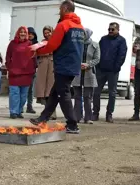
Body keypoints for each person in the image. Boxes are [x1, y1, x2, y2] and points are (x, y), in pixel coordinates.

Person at [29, 0, 84, 134]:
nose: (59, 11)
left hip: (63, 64)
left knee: (63, 93)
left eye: (60, 8)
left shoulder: (63, 25)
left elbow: (52, 45)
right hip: (73, 65)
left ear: (65, 8)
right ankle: (43, 118)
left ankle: (72, 124)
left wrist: (38, 51)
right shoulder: (80, 27)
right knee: (55, 92)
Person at [92, 22, 128, 123]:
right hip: (101, 70)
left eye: (113, 29)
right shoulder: (103, 39)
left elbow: (122, 55)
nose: (110, 31)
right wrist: (97, 65)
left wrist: (116, 67)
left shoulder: (121, 40)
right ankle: (95, 113)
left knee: (112, 93)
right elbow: (97, 52)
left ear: (117, 30)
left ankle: (109, 114)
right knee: (96, 92)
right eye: (109, 29)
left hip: (113, 71)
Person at [6, 26, 36, 119]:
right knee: (14, 94)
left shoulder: (30, 44)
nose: (22, 33)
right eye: (21, 32)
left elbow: (34, 57)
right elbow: (8, 56)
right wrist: (9, 67)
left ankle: (19, 111)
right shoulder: (12, 44)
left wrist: (34, 68)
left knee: (23, 95)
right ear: (17, 33)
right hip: (14, 73)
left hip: (26, 73)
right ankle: (13, 112)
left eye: (24, 32)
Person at [72, 28, 100, 124]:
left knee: (87, 96)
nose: (82, 36)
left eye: (83, 34)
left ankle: (88, 118)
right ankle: (76, 117)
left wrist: (88, 64)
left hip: (89, 72)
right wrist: (78, 63)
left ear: (88, 34)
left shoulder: (95, 45)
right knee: (77, 96)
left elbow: (97, 59)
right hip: (77, 72)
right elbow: (72, 56)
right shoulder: (76, 44)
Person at [34, 26, 56, 120]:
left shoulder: (56, 41)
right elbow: (35, 51)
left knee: (51, 90)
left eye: (48, 32)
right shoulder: (41, 42)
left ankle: (52, 113)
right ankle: (46, 111)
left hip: (52, 66)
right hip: (43, 66)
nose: (47, 34)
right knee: (43, 90)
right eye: (45, 33)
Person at [24, 27, 38, 114]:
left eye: (32, 34)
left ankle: (29, 106)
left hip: (32, 69)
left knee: (30, 89)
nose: (30, 36)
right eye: (29, 34)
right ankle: (20, 106)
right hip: (23, 69)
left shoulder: (37, 44)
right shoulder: (23, 43)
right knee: (23, 89)